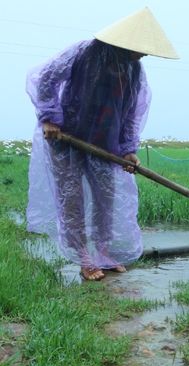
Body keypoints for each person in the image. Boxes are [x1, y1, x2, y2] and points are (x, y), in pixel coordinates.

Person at [26, 8, 179, 281]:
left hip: (105, 146)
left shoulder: (133, 69)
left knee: (105, 203)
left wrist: (129, 148)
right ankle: (85, 259)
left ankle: (104, 254)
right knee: (72, 200)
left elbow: (133, 111)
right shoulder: (85, 52)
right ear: (128, 41)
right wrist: (50, 118)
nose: (144, 54)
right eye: (141, 49)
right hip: (68, 140)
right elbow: (46, 77)